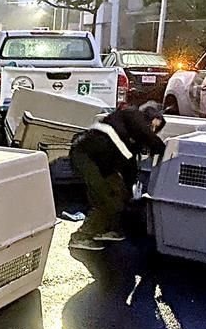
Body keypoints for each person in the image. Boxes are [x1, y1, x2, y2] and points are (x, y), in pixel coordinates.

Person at [68, 102, 166, 250]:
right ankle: (81, 236)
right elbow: (144, 136)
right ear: (147, 118)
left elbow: (129, 165)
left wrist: (130, 190)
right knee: (104, 197)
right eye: (152, 126)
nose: (153, 130)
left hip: (101, 160)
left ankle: (105, 229)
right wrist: (160, 147)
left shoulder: (127, 135)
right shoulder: (132, 115)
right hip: (86, 157)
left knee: (118, 193)